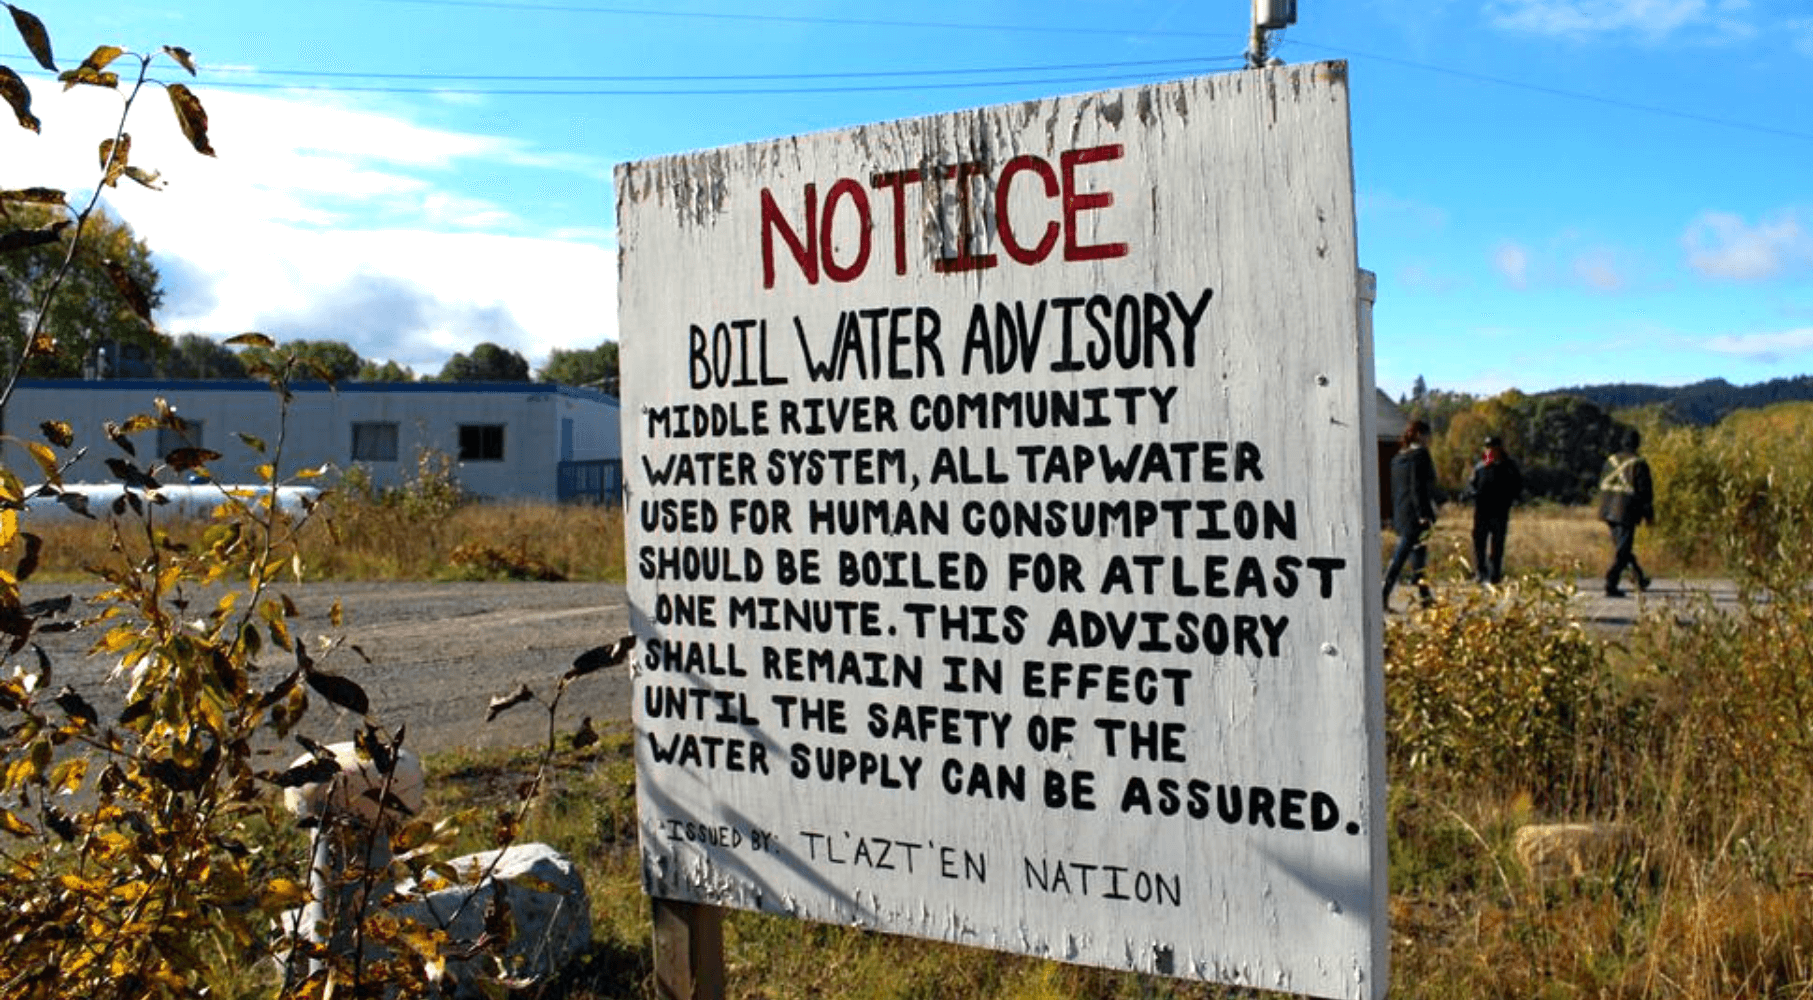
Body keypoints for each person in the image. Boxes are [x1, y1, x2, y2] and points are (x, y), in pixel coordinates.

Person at [1382, 418, 1437, 610]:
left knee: (1418, 554)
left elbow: (1395, 488)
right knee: (1401, 555)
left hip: (1401, 512)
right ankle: (1383, 592)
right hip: (1415, 514)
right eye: (1427, 435)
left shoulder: (1398, 458)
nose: (1429, 440)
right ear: (1420, 435)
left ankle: (1425, 596)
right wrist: (1424, 513)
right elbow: (1418, 487)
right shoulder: (1420, 455)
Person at [1597, 428, 1654, 597]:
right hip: (1626, 510)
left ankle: (1639, 578)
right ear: (1637, 443)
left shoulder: (1610, 461)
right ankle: (1611, 582)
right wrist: (1649, 514)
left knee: (1623, 548)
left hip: (1607, 509)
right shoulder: (1639, 463)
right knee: (1623, 550)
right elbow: (1645, 492)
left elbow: (1603, 484)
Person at [1467, 435, 1523, 584]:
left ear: (1500, 449)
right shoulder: (1480, 467)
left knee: (1497, 544)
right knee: (1479, 542)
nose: (1489, 451)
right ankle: (1480, 571)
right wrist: (1473, 495)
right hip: (1482, 510)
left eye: (1492, 448)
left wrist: (1511, 499)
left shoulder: (1509, 466)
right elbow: (1471, 485)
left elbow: (1518, 485)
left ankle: (1495, 573)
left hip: (1500, 510)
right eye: (1487, 448)